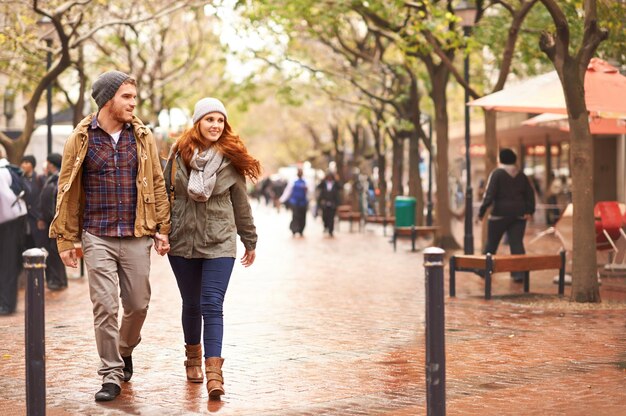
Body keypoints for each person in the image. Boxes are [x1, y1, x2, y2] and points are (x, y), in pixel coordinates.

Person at [49, 70, 171, 402]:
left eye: (134, 97)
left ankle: (124, 347)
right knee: (104, 306)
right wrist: (65, 240)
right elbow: (66, 189)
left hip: (136, 234)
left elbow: (157, 184)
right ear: (108, 99)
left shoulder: (143, 136)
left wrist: (162, 229)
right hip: (96, 235)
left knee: (137, 304)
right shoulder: (80, 138)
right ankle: (111, 374)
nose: (134, 103)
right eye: (127, 97)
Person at [163, 97, 260, 400]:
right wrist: (162, 231)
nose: (215, 125)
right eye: (209, 119)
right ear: (198, 122)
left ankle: (214, 375)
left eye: (220, 120)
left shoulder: (231, 160)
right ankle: (192, 359)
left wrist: (250, 239)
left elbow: (241, 204)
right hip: (182, 241)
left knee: (211, 304)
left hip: (220, 242)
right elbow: (165, 194)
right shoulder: (178, 154)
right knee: (191, 303)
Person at [477, 148, 535, 282]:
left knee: (491, 244)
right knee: (517, 244)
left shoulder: (497, 173)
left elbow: (489, 194)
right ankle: (519, 274)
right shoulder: (521, 175)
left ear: (501, 159)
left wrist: (482, 212)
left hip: (499, 214)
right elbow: (530, 194)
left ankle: (483, 270)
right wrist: (529, 210)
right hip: (519, 215)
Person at [0, 152, 28, 315]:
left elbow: (5, 198)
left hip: (8, 223)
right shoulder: (7, 169)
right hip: (13, 222)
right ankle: (6, 302)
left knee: (7, 264)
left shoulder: (2, 171)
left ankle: (7, 304)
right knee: (8, 264)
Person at [37, 153, 67, 290]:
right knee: (53, 251)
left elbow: (54, 201)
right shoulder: (53, 178)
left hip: (55, 221)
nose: (46, 165)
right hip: (51, 219)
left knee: (55, 251)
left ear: (51, 164)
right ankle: (57, 279)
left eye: (48, 162)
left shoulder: (58, 178)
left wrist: (49, 218)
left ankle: (58, 280)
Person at [20, 155, 46, 249]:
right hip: (24, 220)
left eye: (26, 163)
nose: (23, 165)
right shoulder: (20, 180)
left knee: (39, 246)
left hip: (37, 220)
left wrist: (41, 217)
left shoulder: (40, 179)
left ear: (32, 165)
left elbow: (44, 200)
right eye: (22, 162)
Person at [280, 167, 309, 236]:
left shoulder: (306, 182)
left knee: (302, 216)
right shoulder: (293, 181)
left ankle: (301, 230)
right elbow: (288, 191)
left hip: (303, 202)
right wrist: (282, 200)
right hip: (295, 202)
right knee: (295, 216)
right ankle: (294, 229)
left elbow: (310, 192)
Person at [316, 171, 341, 237]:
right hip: (325, 203)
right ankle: (325, 226)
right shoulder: (324, 183)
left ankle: (331, 230)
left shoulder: (335, 183)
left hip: (333, 203)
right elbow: (318, 187)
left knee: (331, 217)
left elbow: (340, 187)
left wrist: (337, 179)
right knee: (325, 216)